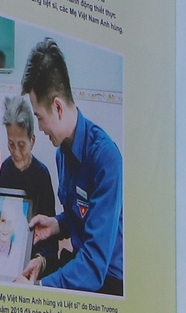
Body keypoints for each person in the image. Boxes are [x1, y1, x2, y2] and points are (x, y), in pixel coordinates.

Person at [20, 38, 124, 294]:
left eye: (39, 118)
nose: (40, 128)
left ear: (57, 106)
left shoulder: (105, 157)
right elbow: (81, 212)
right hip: (81, 265)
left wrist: (39, 287)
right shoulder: (62, 153)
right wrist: (57, 224)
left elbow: (95, 264)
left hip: (107, 278)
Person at [0, 94, 58, 271]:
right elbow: (1, 215)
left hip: (35, 250)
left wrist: (40, 259)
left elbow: (49, 232)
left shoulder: (41, 174)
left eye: (22, 144)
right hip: (9, 246)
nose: (16, 152)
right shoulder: (6, 168)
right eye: (11, 144)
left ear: (32, 140)